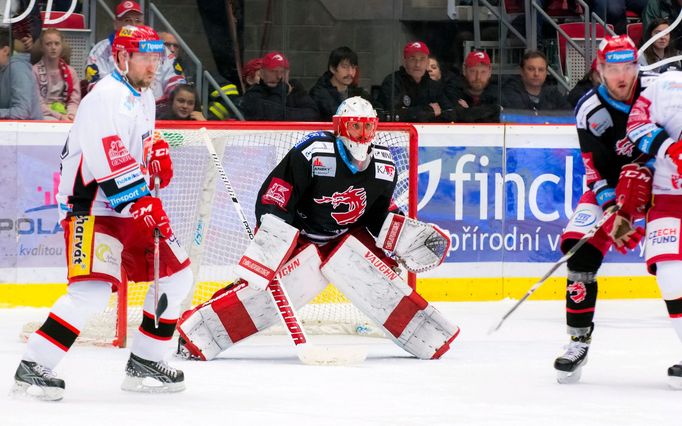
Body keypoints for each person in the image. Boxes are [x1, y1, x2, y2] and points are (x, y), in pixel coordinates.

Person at [175, 97, 459, 361]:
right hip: (300, 234)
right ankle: (196, 334)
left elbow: (376, 214)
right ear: (339, 127)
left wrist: (403, 235)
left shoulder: (383, 166)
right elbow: (278, 193)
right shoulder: (313, 153)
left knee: (383, 281)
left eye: (367, 127)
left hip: (345, 236)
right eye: (355, 126)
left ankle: (427, 336)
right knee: (256, 291)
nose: (361, 135)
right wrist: (273, 232)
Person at [12, 25, 193, 401]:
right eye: (146, 58)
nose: (153, 66)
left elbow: (135, 144)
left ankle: (146, 359)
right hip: (92, 208)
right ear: (123, 58)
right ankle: (34, 366)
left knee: (176, 277)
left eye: (157, 59)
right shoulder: (104, 97)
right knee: (90, 293)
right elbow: (106, 155)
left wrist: (154, 154)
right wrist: (141, 199)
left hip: (127, 205)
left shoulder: (141, 95)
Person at [553, 35, 653, 384]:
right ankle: (577, 341)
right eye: (613, 68)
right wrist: (613, 210)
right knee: (578, 248)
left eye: (628, 67)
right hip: (610, 190)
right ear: (599, 70)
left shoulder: (659, 92)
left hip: (663, 185)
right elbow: (593, 168)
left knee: (675, 262)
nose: (622, 75)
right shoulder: (589, 110)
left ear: (637, 67)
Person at [624, 70, 682, 389]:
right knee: (671, 277)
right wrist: (670, 150)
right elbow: (635, 123)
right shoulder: (668, 85)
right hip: (670, 196)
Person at [85, 1, 185, 102]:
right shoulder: (101, 50)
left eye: (138, 21)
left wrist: (175, 102)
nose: (133, 25)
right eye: (127, 20)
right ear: (116, 24)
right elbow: (95, 87)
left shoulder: (159, 48)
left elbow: (176, 81)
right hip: (116, 107)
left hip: (158, 109)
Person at [377, 41, 454, 122]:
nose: (417, 64)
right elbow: (388, 115)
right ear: (404, 61)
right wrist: (428, 111)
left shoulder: (434, 86)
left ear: (427, 62)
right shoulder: (392, 82)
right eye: (412, 59)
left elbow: (450, 113)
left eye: (422, 59)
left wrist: (408, 112)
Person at [240, 51, 319, 121]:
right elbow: (271, 116)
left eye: (283, 72)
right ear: (262, 73)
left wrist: (281, 112)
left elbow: (313, 114)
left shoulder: (294, 87)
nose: (279, 76)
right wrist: (280, 91)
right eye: (273, 71)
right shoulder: (253, 94)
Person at [309, 46, 373, 121]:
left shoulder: (360, 93)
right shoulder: (319, 94)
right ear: (333, 68)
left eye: (353, 67)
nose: (350, 72)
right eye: (345, 67)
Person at [32, 28, 81, 121]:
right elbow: (37, 103)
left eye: (57, 43)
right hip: (43, 115)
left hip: (67, 114)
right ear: (42, 47)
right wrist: (60, 117)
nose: (53, 47)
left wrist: (71, 115)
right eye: (48, 44)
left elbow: (74, 101)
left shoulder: (71, 72)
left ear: (62, 46)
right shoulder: (34, 71)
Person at [501, 50, 571, 112]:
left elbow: (569, 116)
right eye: (531, 69)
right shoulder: (509, 93)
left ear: (546, 73)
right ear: (521, 71)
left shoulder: (553, 94)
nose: (536, 74)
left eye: (541, 70)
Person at [445, 50, 501, 123]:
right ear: (464, 70)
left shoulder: (498, 91)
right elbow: (454, 116)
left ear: (490, 72)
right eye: (473, 71)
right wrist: (493, 109)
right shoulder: (452, 90)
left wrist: (468, 111)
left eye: (483, 72)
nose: (478, 77)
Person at [0, 27, 42, 120]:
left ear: (5, 50)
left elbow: (22, 112)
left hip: (29, 132)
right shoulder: (3, 70)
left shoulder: (18, 69)